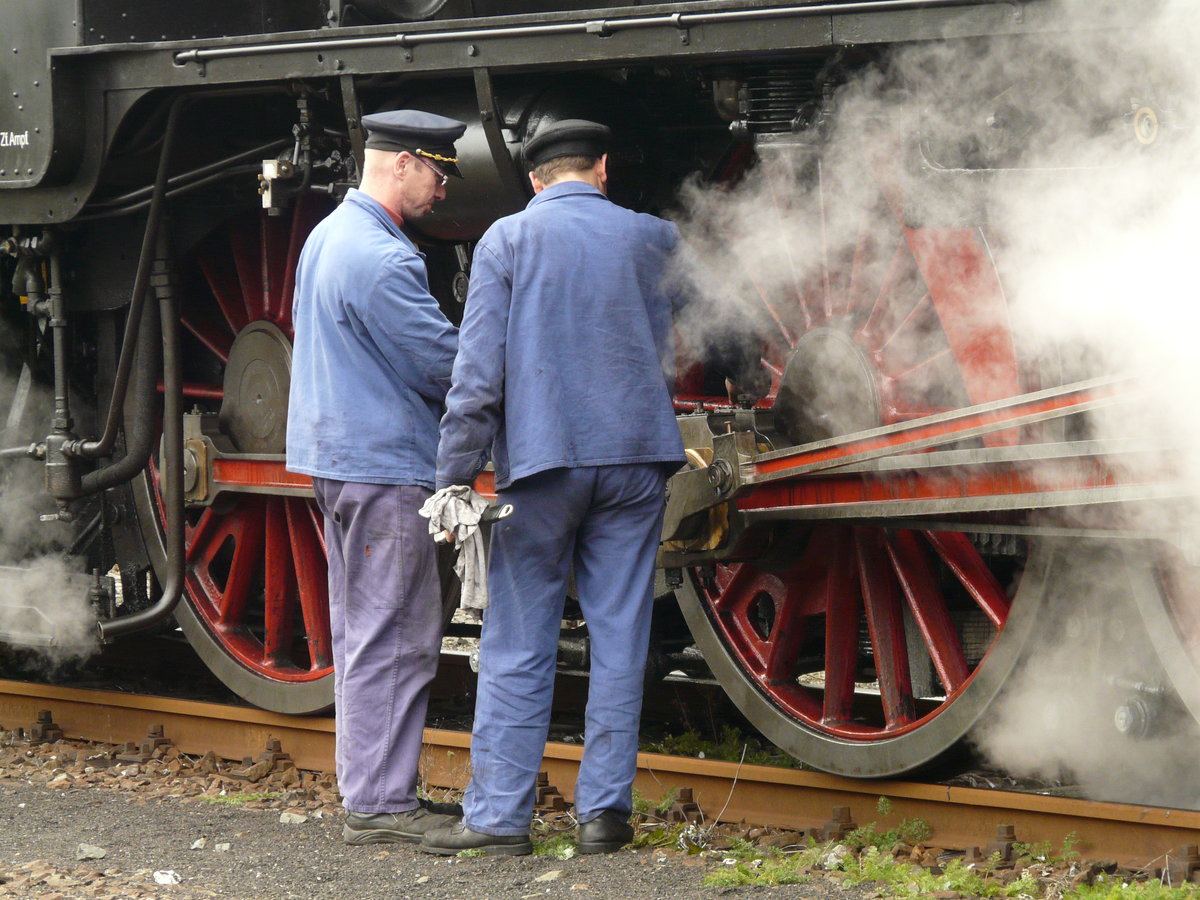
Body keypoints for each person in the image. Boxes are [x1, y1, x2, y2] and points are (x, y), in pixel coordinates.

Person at [421, 119, 686, 856]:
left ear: (536, 182)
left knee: (518, 640)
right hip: (636, 462)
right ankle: (605, 815)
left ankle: (501, 818)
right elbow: (694, 329)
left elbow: (477, 376)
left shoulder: (508, 240)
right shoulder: (653, 237)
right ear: (603, 167)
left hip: (542, 467)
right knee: (620, 634)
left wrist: (451, 477)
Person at [285, 108, 467, 845]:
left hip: (337, 461)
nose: (445, 187)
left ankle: (373, 792)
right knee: (395, 635)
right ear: (401, 164)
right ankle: (381, 805)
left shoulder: (327, 238)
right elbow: (442, 364)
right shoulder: (385, 259)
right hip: (386, 468)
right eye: (439, 170)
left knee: (364, 631)